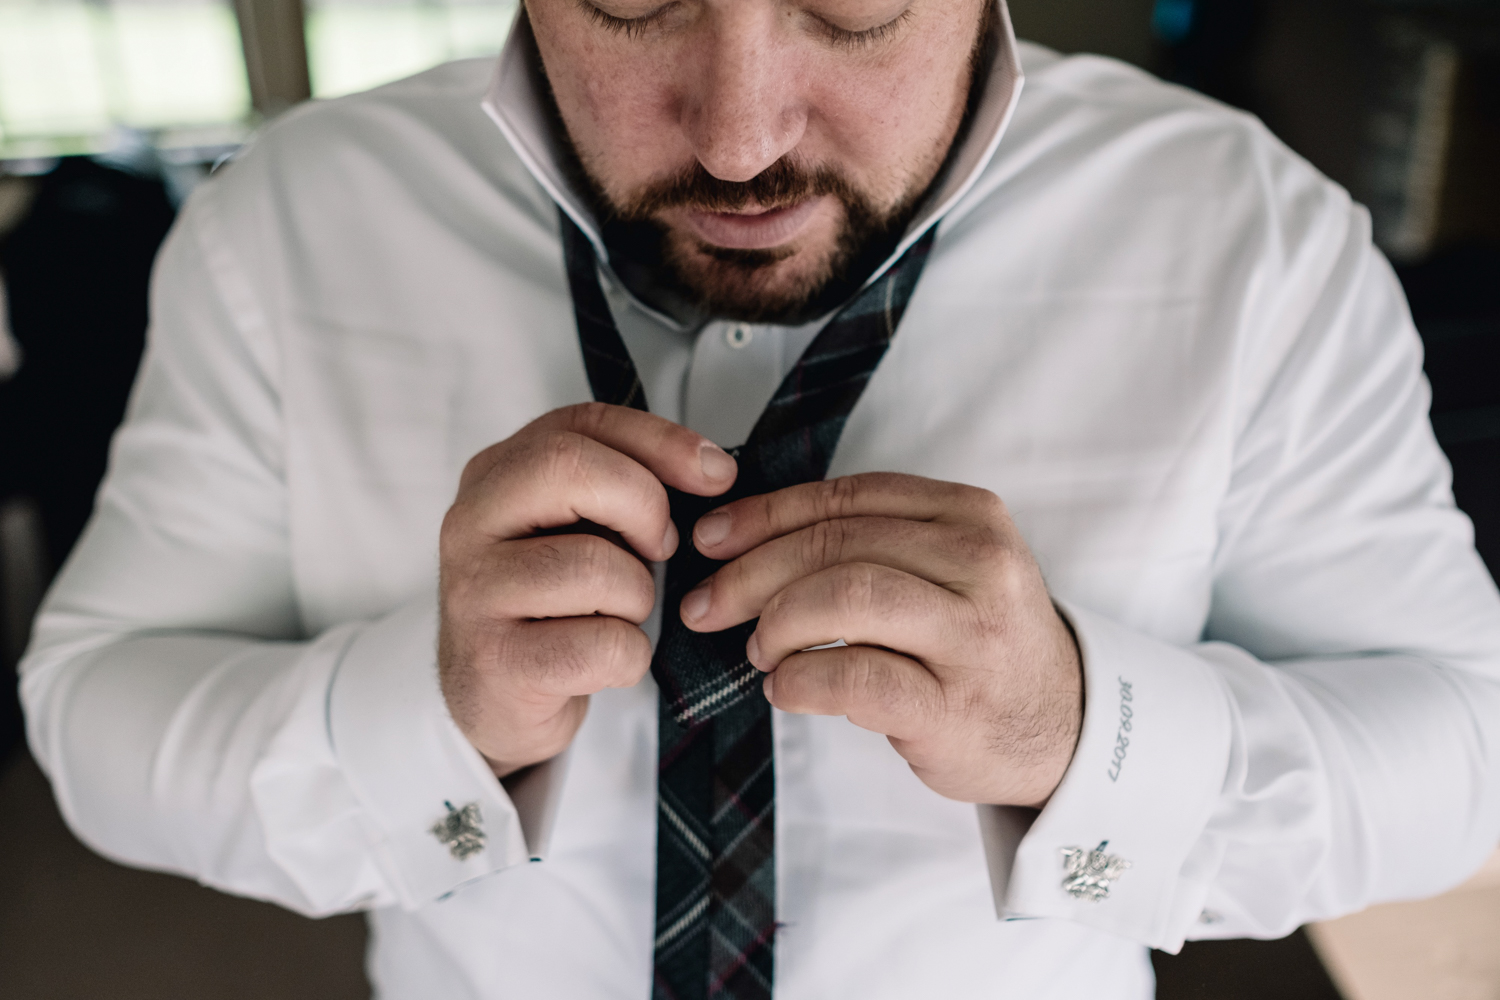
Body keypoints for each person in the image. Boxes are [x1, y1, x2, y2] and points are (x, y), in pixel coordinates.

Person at [19, 1, 1500, 997]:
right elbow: (94, 707)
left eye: (849, 4)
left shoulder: (1253, 234)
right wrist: (424, 716)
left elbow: (1463, 745)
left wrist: (1074, 735)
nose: (739, 141)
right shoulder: (291, 222)